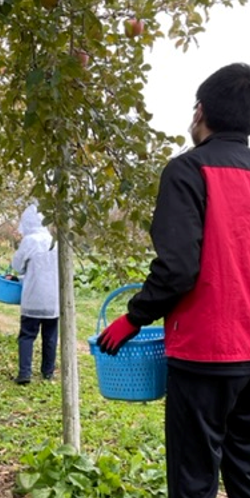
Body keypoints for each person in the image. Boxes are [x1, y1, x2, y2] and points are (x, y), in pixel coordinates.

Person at [97, 63, 250, 498]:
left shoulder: (188, 170)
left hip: (206, 351)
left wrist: (133, 318)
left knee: (192, 479)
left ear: (200, 111)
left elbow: (178, 268)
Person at [11, 205, 59, 385]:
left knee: (27, 335)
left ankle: (25, 373)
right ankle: (48, 372)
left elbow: (17, 266)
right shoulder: (54, 241)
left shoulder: (29, 241)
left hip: (33, 296)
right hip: (53, 298)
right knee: (50, 336)